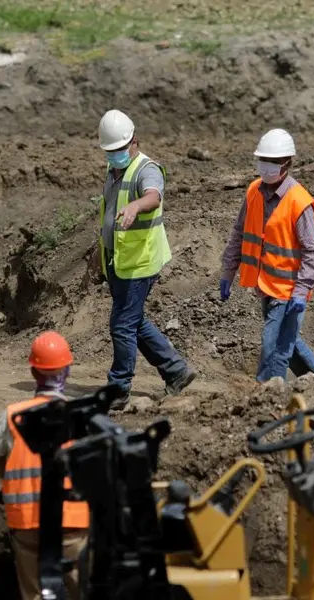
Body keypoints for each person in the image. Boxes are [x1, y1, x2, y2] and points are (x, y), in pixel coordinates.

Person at [97, 109, 196, 410]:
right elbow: (108, 213)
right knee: (134, 321)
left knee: (121, 325)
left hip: (140, 261)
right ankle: (176, 371)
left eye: (118, 150)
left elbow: (153, 196)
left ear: (133, 141)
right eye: (109, 151)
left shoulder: (146, 169)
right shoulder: (114, 171)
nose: (114, 156)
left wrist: (136, 207)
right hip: (120, 260)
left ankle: (119, 388)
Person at [0, 331, 88, 600]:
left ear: (33, 372)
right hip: (71, 522)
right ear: (68, 371)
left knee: (37, 594)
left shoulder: (13, 415)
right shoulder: (82, 417)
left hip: (27, 522)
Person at [220, 128, 314, 382]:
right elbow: (239, 232)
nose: (266, 166)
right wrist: (228, 271)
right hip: (265, 286)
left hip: (289, 292)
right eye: (263, 160)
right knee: (289, 342)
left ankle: (267, 396)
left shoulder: (298, 202)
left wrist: (301, 292)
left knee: (274, 348)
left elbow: (312, 252)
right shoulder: (254, 191)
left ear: (287, 163)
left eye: (274, 162)